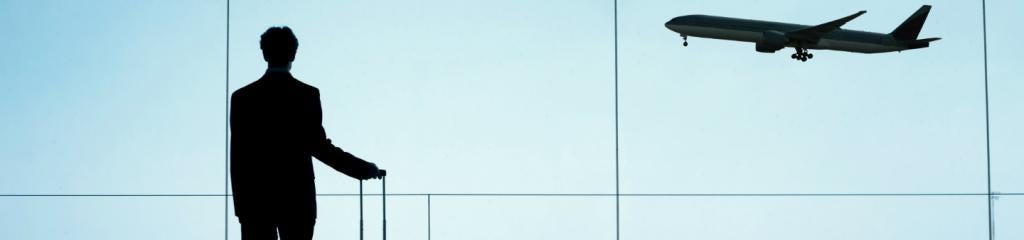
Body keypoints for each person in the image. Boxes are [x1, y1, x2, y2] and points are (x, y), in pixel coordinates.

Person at [230, 26, 382, 240]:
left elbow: (239, 158)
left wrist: (242, 210)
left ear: (264, 54)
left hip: (256, 204)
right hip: (297, 200)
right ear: (293, 54)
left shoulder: (242, 98)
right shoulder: (306, 95)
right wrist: (363, 169)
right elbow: (321, 149)